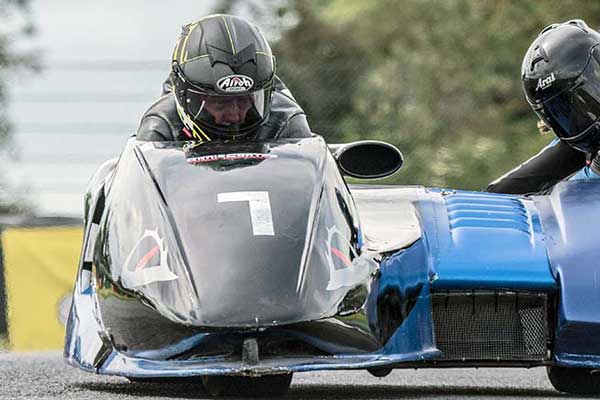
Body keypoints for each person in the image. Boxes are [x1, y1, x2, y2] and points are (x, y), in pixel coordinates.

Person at [136, 14, 312, 142]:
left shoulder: (286, 120)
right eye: (221, 103)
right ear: (188, 97)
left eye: (245, 100)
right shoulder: (161, 126)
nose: (235, 115)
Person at [486, 20, 600, 194]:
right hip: (582, 156)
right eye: (562, 109)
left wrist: (595, 171)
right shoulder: (578, 143)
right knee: (498, 194)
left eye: (581, 99)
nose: (580, 118)